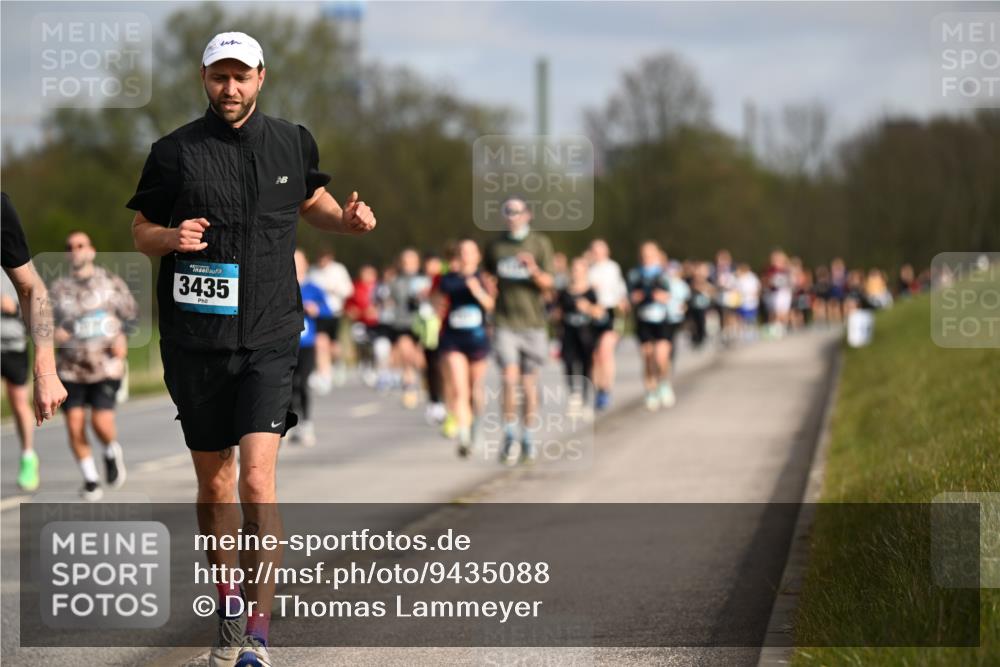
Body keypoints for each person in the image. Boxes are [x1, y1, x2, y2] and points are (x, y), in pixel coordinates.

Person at [127, 32, 376, 667]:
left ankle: (254, 638)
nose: (230, 88)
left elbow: (312, 202)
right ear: (203, 79)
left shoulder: (292, 140)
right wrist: (170, 235)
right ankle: (229, 608)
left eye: (241, 76)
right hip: (197, 341)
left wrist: (344, 222)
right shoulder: (174, 152)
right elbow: (139, 232)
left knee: (259, 480)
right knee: (216, 488)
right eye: (219, 77)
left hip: (270, 335)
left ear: (261, 77)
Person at [49, 231, 137, 501]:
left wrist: (122, 335)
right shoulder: (57, 289)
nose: (75, 250)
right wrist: (55, 334)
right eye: (70, 246)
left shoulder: (109, 282)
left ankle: (110, 450)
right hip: (71, 369)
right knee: (75, 425)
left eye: (80, 245)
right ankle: (90, 480)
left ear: (91, 250)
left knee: (100, 422)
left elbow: (131, 316)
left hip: (105, 366)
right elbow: (43, 327)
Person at [1, 193, 67, 491]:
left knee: (17, 399)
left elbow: (31, 289)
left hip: (10, 341)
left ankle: (28, 455)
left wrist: (47, 371)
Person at [483, 197, 554, 465]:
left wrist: (533, 269)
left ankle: (529, 434)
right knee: (509, 378)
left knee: (528, 383)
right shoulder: (495, 246)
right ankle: (510, 433)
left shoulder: (539, 243)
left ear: (528, 215)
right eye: (507, 211)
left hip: (533, 323)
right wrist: (489, 286)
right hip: (504, 321)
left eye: (517, 211)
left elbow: (550, 284)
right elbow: (487, 276)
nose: (512, 216)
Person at [436, 239, 494, 457]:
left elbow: (491, 305)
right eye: (463, 252)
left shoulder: (483, 278)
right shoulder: (448, 280)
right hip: (453, 339)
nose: (467, 255)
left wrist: (478, 291)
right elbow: (439, 302)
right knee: (459, 389)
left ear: (478, 256)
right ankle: (464, 438)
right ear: (458, 256)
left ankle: (476, 428)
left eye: (471, 251)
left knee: (475, 390)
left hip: (478, 339)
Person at [287, 249, 331, 448]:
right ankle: (287, 423)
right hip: (286, 343)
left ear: (306, 264)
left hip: (306, 343)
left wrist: (316, 309)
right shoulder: (282, 285)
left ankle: (306, 423)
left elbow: (328, 310)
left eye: (300, 261)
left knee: (302, 383)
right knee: (286, 386)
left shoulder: (313, 287)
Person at [627, 241, 673, 412]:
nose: (647, 258)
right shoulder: (634, 274)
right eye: (644, 254)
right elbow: (630, 296)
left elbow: (670, 295)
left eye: (650, 254)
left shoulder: (663, 274)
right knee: (647, 356)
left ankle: (663, 382)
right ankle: (650, 390)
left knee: (660, 357)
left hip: (661, 319)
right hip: (643, 319)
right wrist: (636, 297)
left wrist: (660, 296)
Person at [556, 257, 604, 420]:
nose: (577, 272)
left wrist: (588, 307)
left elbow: (600, 313)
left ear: (585, 271)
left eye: (580, 269)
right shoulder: (564, 292)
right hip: (568, 334)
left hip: (586, 334)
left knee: (586, 367)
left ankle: (585, 401)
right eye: (574, 269)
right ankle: (573, 397)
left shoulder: (591, 292)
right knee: (569, 365)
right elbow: (557, 314)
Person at [586, 239, 627, 412]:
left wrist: (621, 304)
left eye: (600, 250)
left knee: (605, 352)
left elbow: (619, 291)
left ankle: (606, 389)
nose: (597, 254)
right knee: (594, 357)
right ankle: (598, 389)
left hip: (609, 312)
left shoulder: (612, 267)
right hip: (592, 314)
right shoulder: (588, 268)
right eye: (594, 250)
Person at [386, 248, 430, 409]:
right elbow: (387, 300)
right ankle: (409, 388)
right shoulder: (394, 281)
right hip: (401, 323)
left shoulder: (425, 280)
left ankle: (426, 379)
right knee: (406, 354)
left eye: (411, 261)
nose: (407, 265)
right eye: (404, 262)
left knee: (419, 359)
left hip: (422, 324)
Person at [307, 248, 353, 392]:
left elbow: (349, 290)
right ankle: (324, 375)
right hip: (319, 314)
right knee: (320, 343)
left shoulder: (338, 270)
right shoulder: (313, 272)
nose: (322, 262)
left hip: (335, 312)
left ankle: (338, 364)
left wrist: (334, 289)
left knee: (333, 346)